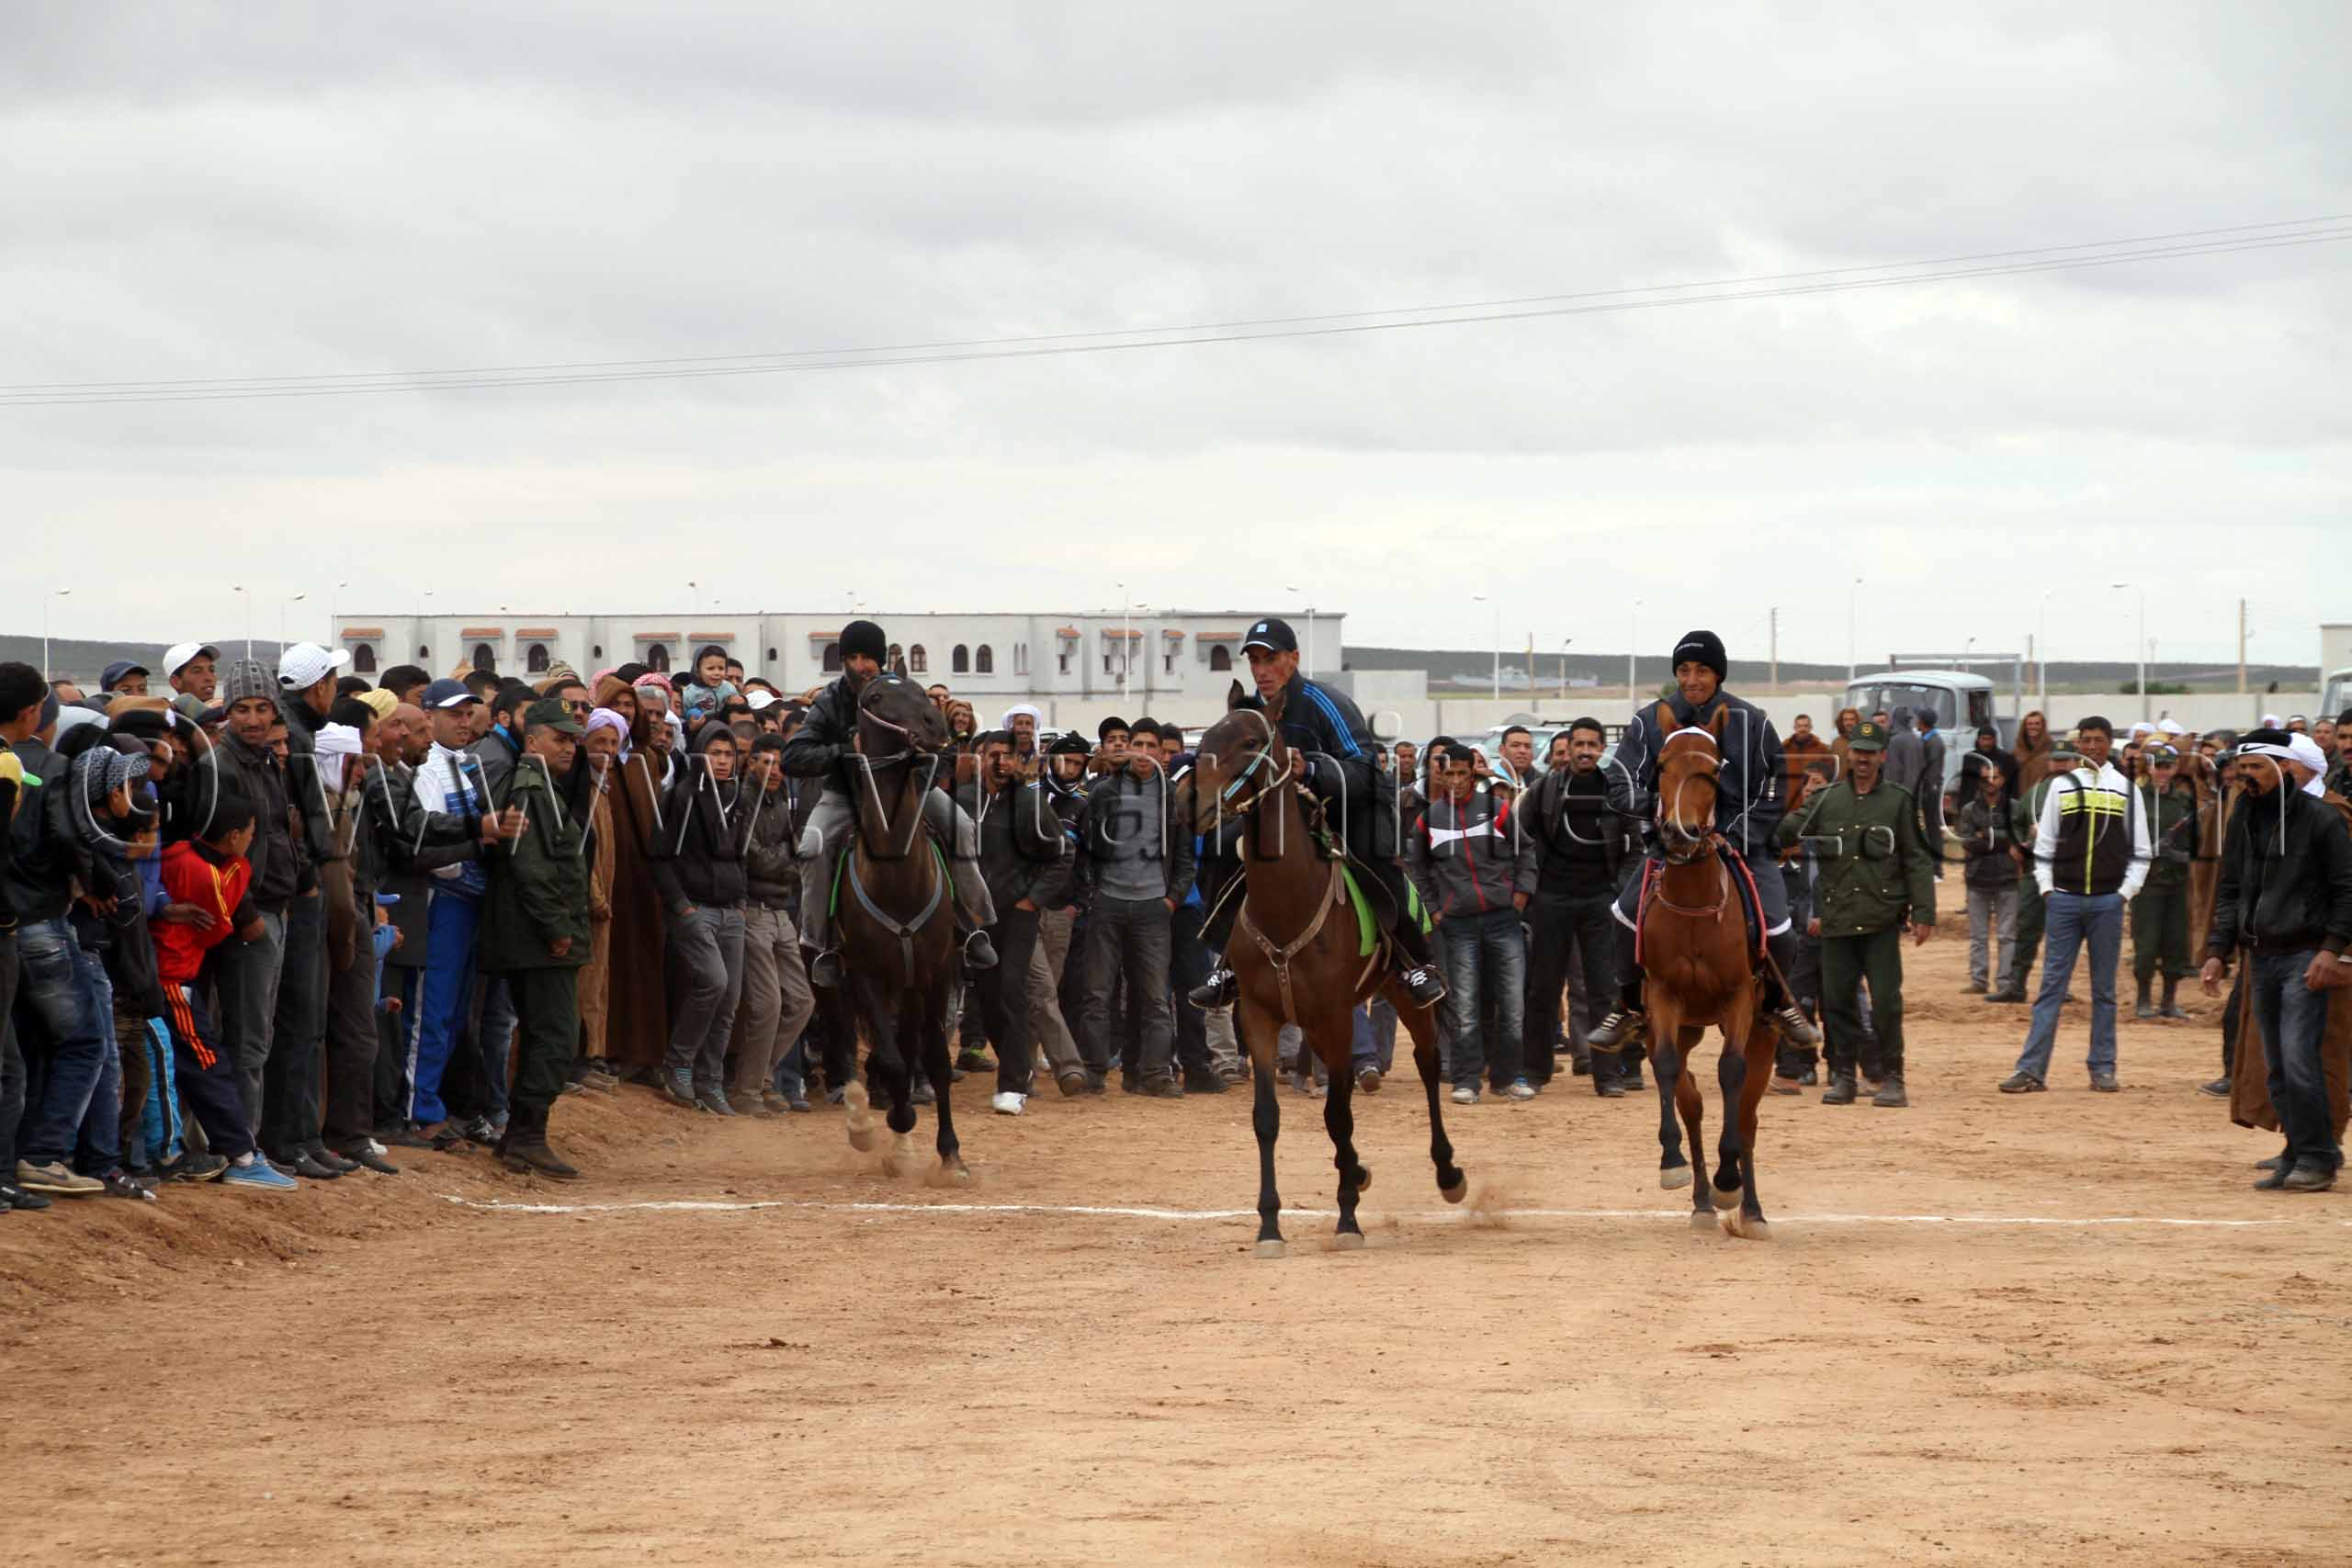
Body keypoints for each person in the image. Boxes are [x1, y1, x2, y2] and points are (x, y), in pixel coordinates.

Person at [1190, 617, 1446, 1010]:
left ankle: (1414, 963)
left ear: (1293, 659)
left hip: (1352, 804)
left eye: (1269, 659)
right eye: (1254, 661)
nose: (1261, 670)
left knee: (1375, 858)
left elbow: (1365, 770)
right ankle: (1226, 966)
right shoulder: (1252, 713)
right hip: (1285, 817)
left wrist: (1308, 769)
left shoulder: (1327, 703)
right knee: (1221, 845)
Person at [1589, 629, 1819, 1053]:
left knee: (1780, 926)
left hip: (1742, 847)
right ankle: (1625, 1006)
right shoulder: (1648, 722)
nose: (1692, 679)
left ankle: (1779, 1003)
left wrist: (1736, 834)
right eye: (1683, 670)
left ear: (1719, 674)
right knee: (1621, 916)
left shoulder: (1752, 721)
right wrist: (1663, 809)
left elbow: (1779, 783)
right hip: (1672, 845)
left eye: (1702, 670)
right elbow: (1619, 783)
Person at [781, 620, 996, 987]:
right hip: (846, 796)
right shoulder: (831, 700)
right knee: (813, 846)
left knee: (960, 825)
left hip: (910, 792)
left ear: (881, 661)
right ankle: (821, 944)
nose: (861, 665)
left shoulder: (911, 694)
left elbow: (942, 745)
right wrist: (847, 751)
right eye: (853, 656)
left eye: (868, 657)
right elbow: (793, 757)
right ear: (843, 661)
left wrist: (922, 758)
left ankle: (973, 924)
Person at [2201, 728, 2352, 1191]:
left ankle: (2318, 1156)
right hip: (2260, 955)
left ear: (2284, 769)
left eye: (2256, 768)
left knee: (2301, 1057)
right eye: (2242, 768)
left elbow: (2347, 890)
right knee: (2276, 1063)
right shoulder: (2244, 817)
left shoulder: (2325, 819)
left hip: (2305, 954)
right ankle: (2300, 1149)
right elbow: (2230, 889)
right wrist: (2216, 951)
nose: (2246, 777)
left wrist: (2332, 949)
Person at [1776, 718, 1937, 1106]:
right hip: (1837, 918)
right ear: (1849, 755)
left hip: (1880, 918)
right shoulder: (1828, 799)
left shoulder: (1898, 800)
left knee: (1886, 1002)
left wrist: (1924, 911)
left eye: (1871, 753)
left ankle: (1893, 1077)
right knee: (1838, 1002)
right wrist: (1762, 819)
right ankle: (1844, 1076)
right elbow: (1788, 830)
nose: (1863, 759)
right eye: (1858, 752)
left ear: (1882, 756)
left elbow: (1916, 858)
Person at [152, 791, 300, 1190]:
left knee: (176, 1067)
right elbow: (231, 928)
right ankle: (241, 1155)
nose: (252, 841)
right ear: (233, 836)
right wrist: (242, 870)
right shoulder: (211, 873)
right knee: (208, 1066)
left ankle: (227, 1150)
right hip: (173, 980)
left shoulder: (180, 851)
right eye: (251, 834)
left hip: (167, 977)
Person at [1998, 717, 2152, 1096]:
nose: (2092, 747)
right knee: (2051, 988)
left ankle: (2102, 1068)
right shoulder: (2061, 788)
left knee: (2104, 991)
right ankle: (2032, 1070)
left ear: (2108, 744)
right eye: (2086, 741)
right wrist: (2048, 888)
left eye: (2098, 740)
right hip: (2064, 900)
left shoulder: (2125, 789)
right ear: (2079, 744)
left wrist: (2124, 893)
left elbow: (2142, 851)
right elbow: (2045, 842)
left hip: (2106, 902)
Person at [477, 699, 591, 1177]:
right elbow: (532, 867)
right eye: (560, 739)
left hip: (534, 937)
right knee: (555, 1037)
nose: (569, 748)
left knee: (548, 1035)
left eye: (572, 740)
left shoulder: (542, 785)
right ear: (534, 739)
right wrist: (556, 929)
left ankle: (520, 1136)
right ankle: (526, 1136)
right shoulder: (532, 789)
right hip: (537, 940)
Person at [1515, 716, 1636, 1095]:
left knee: (1604, 990)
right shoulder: (1544, 790)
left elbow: (1636, 847)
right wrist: (1533, 887)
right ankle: (1535, 1072)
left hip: (1600, 899)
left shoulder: (1617, 794)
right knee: (1542, 988)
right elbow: (1520, 839)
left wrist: (1619, 893)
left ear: (1602, 750)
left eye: (1592, 744)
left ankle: (1608, 1075)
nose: (1585, 750)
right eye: (1579, 744)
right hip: (1552, 898)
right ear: (1569, 749)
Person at [1408, 739, 1532, 1103]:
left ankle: (1507, 1078)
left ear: (1474, 773)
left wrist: (1521, 896)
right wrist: (1433, 910)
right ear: (1440, 776)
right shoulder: (1427, 820)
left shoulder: (1497, 810)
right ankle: (1466, 1081)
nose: (1457, 780)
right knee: (1463, 1005)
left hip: (1503, 920)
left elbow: (1526, 851)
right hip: (1457, 925)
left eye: (1463, 773)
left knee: (1511, 1004)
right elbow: (1416, 871)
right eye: (1450, 774)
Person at [959, 730, 1073, 1113]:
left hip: (1016, 913)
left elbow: (1062, 855)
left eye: (1009, 754)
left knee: (1012, 988)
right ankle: (1017, 1067)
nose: (1002, 761)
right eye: (994, 754)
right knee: (988, 998)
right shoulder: (962, 802)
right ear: (980, 758)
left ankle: (1012, 1083)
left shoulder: (1030, 803)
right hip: (974, 917)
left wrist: (1032, 900)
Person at [1077, 721, 1193, 1095]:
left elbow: (1186, 858)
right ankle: (1095, 1071)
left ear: (1163, 753)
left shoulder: (1173, 796)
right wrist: (1093, 894)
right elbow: (1086, 849)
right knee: (1097, 994)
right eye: (1137, 744)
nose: (1143, 752)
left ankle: (1156, 1073)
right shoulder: (1104, 792)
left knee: (1156, 997)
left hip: (1153, 908)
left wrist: (1171, 899)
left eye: (1151, 746)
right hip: (1108, 903)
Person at [652, 723, 752, 1113]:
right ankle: (678, 1064)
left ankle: (710, 1081)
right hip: (696, 909)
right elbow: (659, 857)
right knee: (713, 982)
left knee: (729, 999)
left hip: (732, 910)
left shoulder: (739, 798)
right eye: (716, 753)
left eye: (729, 754)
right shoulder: (680, 796)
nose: (723, 761)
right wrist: (682, 905)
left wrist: (741, 898)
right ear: (699, 755)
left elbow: (742, 853)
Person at [732, 732, 816, 1116]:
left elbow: (797, 851)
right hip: (752, 909)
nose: (773, 770)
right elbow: (756, 859)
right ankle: (747, 1090)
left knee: (801, 1001)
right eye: (765, 762)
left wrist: (785, 855)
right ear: (750, 764)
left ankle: (761, 1077)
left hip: (781, 909)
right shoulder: (742, 796)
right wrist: (787, 855)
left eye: (779, 763)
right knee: (767, 1004)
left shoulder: (782, 798)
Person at [2130, 743, 2199, 1020]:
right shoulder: (2136, 799)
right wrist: (2148, 851)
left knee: (2176, 944)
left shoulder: (2184, 804)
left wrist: (2177, 854)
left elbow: (2197, 849)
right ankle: (2143, 998)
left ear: (2175, 769)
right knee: (2146, 945)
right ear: (2149, 768)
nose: (2162, 771)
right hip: (2146, 884)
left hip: (2176, 883)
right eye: (2157, 766)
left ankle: (2169, 1001)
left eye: (2167, 766)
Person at [1954, 753, 2018, 996]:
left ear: (2003, 780)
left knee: (2007, 936)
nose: (1989, 782)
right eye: (1985, 778)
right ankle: (1979, 980)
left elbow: (2019, 840)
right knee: (1978, 936)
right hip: (1977, 877)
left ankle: (2004, 982)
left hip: (2007, 878)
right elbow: (1968, 842)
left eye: (1994, 777)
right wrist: (2001, 839)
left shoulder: (2014, 807)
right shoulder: (1969, 810)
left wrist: (1985, 836)